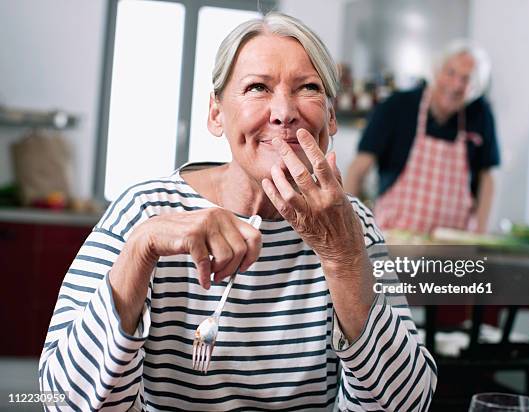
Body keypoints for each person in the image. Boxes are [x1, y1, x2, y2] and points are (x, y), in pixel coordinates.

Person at [39, 13, 436, 411]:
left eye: (309, 88)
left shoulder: (352, 227)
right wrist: (140, 249)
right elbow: (62, 400)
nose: (283, 112)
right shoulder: (143, 211)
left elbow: (407, 404)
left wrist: (345, 259)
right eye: (257, 88)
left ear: (330, 117)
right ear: (216, 114)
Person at [346, 40, 500, 234]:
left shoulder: (480, 113)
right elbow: (358, 169)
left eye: (466, 79)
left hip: (454, 248)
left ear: (475, 87)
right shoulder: (396, 106)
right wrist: (349, 230)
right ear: (436, 71)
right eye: (450, 73)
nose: (456, 85)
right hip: (395, 242)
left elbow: (487, 178)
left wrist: (480, 234)